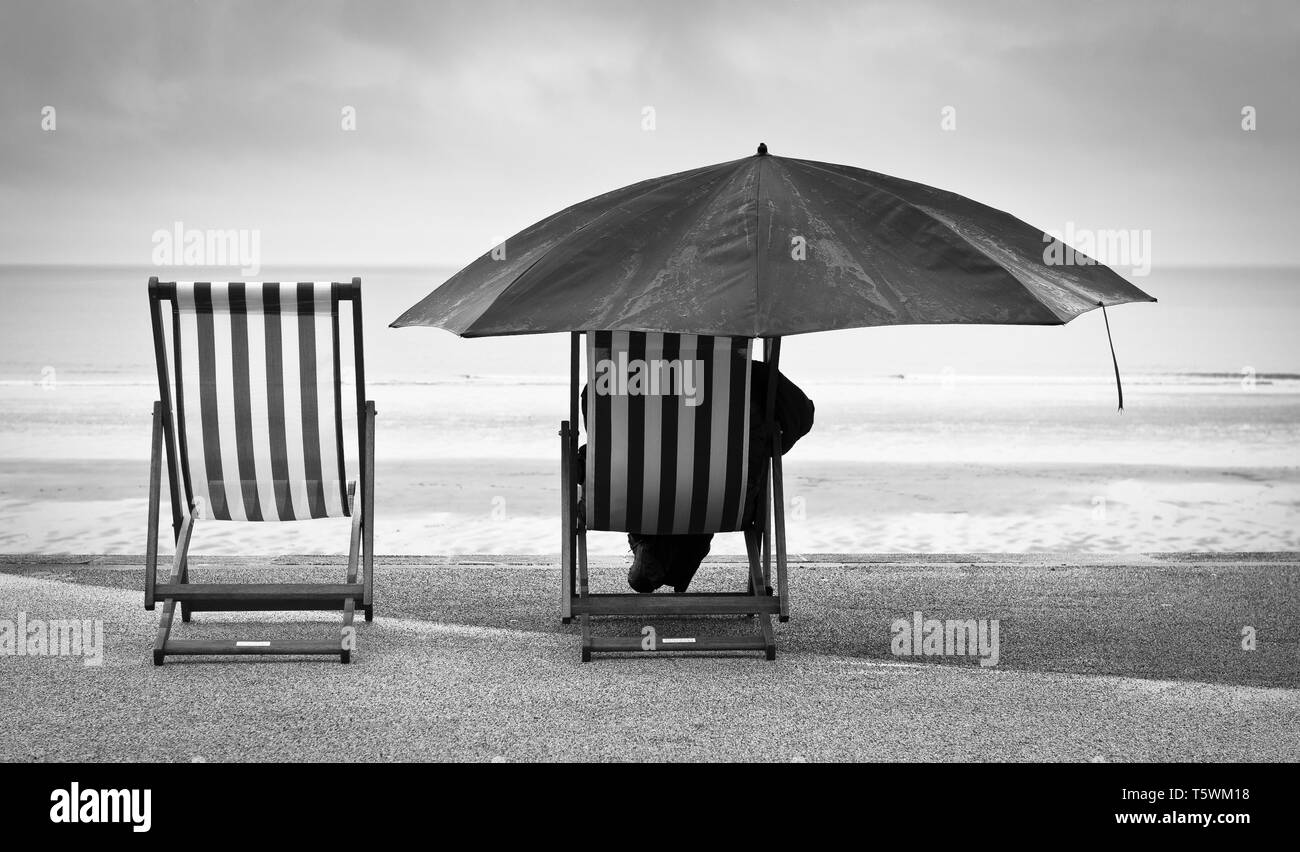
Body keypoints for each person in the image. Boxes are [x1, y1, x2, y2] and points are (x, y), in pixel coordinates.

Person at [579, 361, 814, 594]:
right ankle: (683, 546)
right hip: (725, 503)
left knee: (638, 482)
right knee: (702, 491)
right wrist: (769, 448)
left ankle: (654, 542)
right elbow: (802, 416)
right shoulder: (747, 373)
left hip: (631, 501)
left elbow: (601, 438)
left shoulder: (614, 374)